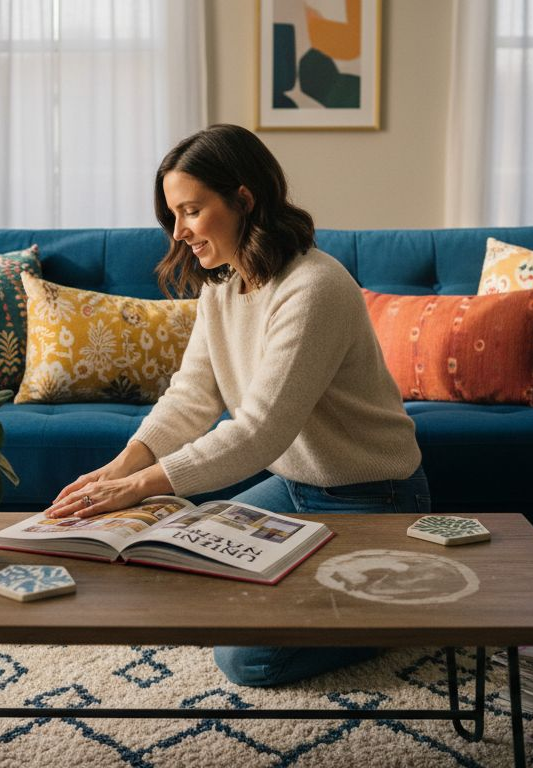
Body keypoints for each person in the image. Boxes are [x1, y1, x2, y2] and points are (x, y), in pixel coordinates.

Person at [41, 123, 430, 687]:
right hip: (295, 487)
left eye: (191, 211)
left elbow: (259, 432)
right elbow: (192, 395)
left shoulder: (314, 286)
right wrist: (121, 466)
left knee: (248, 659)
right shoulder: (222, 286)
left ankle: (395, 618)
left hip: (372, 495)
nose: (179, 232)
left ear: (244, 199)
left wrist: (138, 487)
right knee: (180, 576)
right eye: (173, 215)